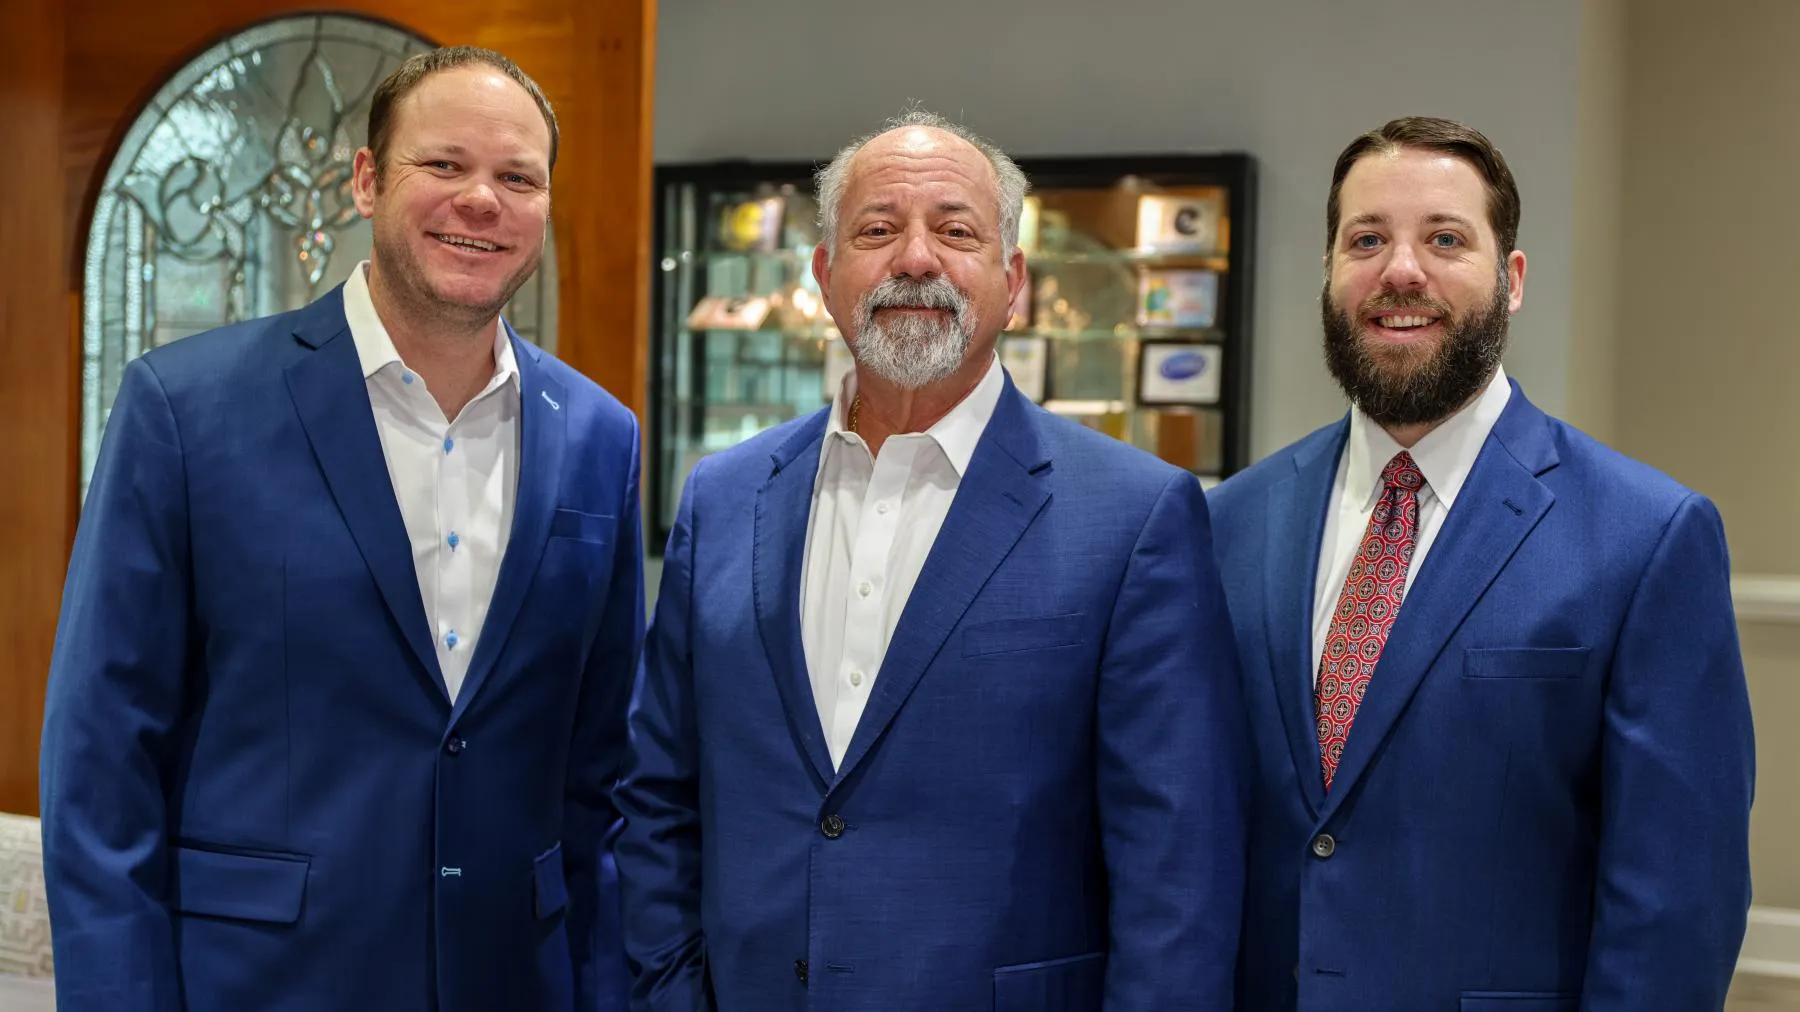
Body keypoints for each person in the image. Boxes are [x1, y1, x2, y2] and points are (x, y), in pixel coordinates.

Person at [40, 46, 641, 1012]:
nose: (481, 200)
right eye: (443, 164)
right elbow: (102, 766)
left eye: (518, 177)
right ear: (367, 180)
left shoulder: (602, 437)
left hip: (515, 981)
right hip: (262, 983)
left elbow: (601, 776)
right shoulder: (185, 410)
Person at [613, 108, 1248, 1011]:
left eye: (956, 232)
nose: (916, 259)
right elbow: (658, 800)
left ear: (1012, 280)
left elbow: (1176, 867)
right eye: (877, 231)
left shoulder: (1135, 516)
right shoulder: (724, 498)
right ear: (825, 275)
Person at [1207, 115, 1755, 1011]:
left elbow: (1676, 901)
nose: (1401, 271)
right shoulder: (1230, 521)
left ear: (1513, 279)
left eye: (1446, 239)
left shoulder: (1647, 536)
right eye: (1366, 240)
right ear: (1329, 274)